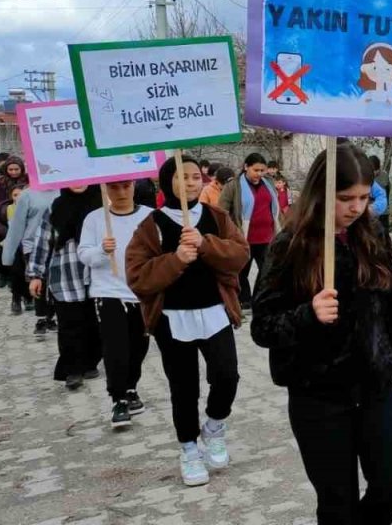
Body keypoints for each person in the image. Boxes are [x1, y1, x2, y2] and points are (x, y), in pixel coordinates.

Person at [252, 144, 392, 524]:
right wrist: (307, 315)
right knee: (337, 504)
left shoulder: (373, 234)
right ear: (321, 193)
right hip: (319, 397)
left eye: (364, 197)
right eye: (346, 198)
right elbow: (262, 326)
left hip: (376, 387)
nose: (356, 207)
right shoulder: (290, 245)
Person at [126, 156, 249, 487]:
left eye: (196, 177)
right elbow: (137, 277)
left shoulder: (216, 217)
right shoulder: (151, 225)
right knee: (184, 388)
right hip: (172, 319)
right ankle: (189, 449)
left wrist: (206, 244)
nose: (192, 182)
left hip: (215, 312)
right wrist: (176, 259)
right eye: (183, 177)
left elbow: (241, 254)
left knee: (226, 376)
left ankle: (214, 425)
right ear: (167, 183)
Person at [79, 180, 155, 427]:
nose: (121, 192)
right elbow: (84, 254)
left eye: (125, 186)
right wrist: (101, 250)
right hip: (108, 291)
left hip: (141, 292)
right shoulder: (95, 219)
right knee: (115, 347)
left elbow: (161, 249)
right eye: (114, 187)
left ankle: (131, 387)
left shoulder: (149, 216)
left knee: (138, 345)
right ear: (106, 189)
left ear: (134, 186)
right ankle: (118, 398)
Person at [26, 185, 103, 390]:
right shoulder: (56, 207)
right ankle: (72, 369)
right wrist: (35, 274)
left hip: (99, 274)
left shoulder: (103, 205)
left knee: (93, 322)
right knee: (69, 324)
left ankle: (91, 362)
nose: (78, 183)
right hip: (65, 275)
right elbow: (42, 242)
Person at [220, 153, 280, 308]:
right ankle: (245, 299)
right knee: (242, 272)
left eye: (262, 170)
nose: (259, 174)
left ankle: (258, 297)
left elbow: (274, 208)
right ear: (246, 167)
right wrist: (230, 231)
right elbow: (222, 211)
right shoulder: (233, 186)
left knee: (267, 270)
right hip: (243, 237)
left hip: (266, 237)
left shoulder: (269, 183)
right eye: (256, 170)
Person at [3, 183, 59, 326]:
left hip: (58, 244)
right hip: (32, 245)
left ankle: (53, 315)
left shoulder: (64, 190)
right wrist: (8, 255)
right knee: (39, 280)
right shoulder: (27, 195)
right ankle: (41, 316)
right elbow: (17, 225)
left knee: (56, 280)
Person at [370, 155, 391, 232]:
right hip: (371, 210)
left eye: (376, 170)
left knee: (385, 232)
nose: (375, 173)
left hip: (383, 211)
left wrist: (389, 206)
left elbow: (389, 191)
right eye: (373, 170)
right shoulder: (365, 176)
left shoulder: (384, 175)